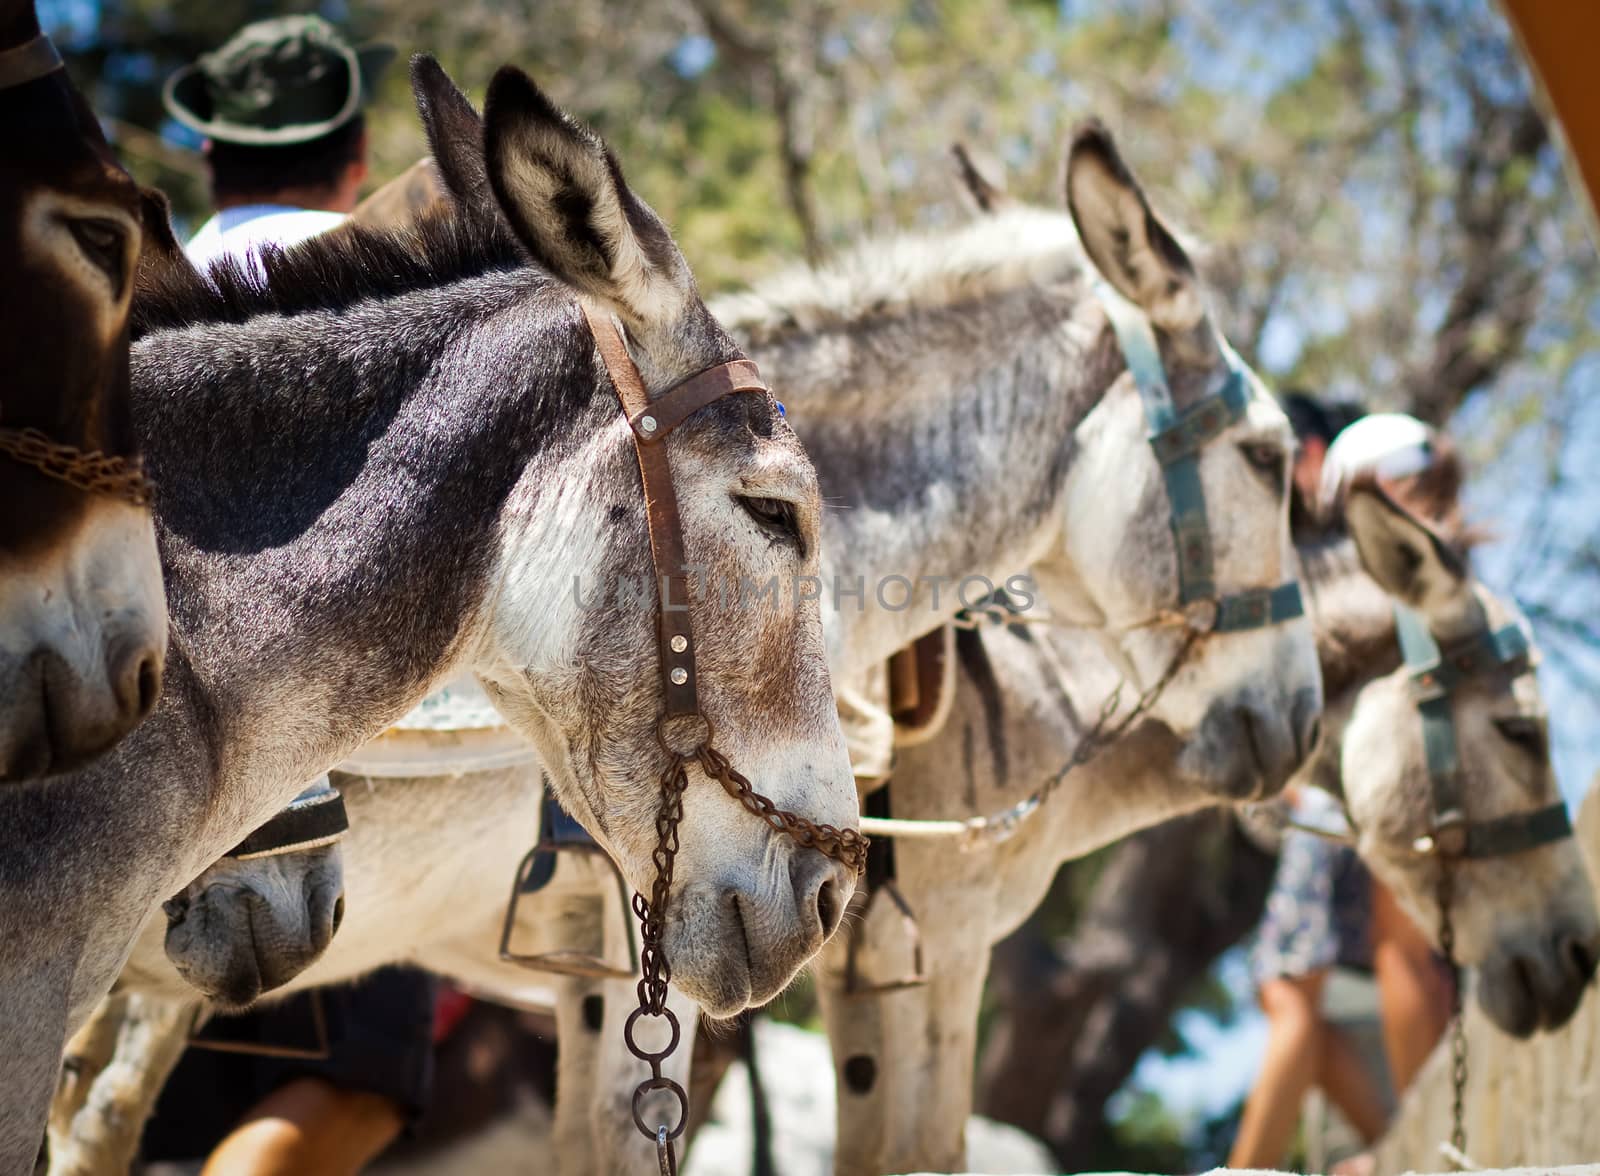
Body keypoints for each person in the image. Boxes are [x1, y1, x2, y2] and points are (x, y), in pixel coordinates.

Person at [138, 19, 440, 1176]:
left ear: (210, 157)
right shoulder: (408, 287)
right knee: (359, 1081)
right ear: (356, 155)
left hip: (152, 713)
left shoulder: (142, 290)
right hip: (337, 752)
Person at [1227, 397, 1459, 1171]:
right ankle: (1415, 1152)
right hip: (1383, 786)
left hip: (1344, 792)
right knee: (1397, 958)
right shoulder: (1427, 567)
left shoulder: (1352, 564)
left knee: (1292, 990)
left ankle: (1264, 1167)